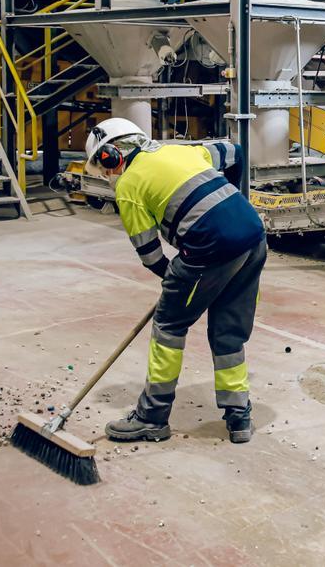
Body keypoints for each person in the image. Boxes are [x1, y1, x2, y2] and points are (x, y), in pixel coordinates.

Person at [85, 118, 267, 444]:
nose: (107, 176)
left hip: (210, 248)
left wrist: (177, 282)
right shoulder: (180, 152)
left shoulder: (129, 186)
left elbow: (151, 256)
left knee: (169, 326)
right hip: (253, 237)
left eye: (104, 168)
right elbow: (234, 151)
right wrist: (232, 206)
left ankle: (151, 417)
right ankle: (239, 419)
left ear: (112, 155)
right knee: (228, 333)